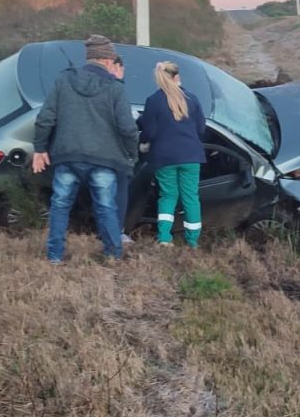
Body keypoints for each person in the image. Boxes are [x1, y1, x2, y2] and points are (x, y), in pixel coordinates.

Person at [31, 35, 138, 264]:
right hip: (104, 159)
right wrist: (132, 154)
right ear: (109, 61)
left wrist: (40, 149)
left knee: (60, 206)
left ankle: (55, 256)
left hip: (67, 155)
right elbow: (127, 128)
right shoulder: (115, 88)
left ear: (89, 58)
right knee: (106, 206)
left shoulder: (63, 80)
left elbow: (45, 118)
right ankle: (112, 254)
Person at [137, 61, 208, 248]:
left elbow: (149, 131)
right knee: (191, 197)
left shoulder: (153, 101)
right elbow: (201, 128)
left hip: (164, 157)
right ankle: (192, 240)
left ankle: (165, 238)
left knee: (168, 196)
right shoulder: (192, 99)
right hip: (191, 155)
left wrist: (143, 141)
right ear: (177, 77)